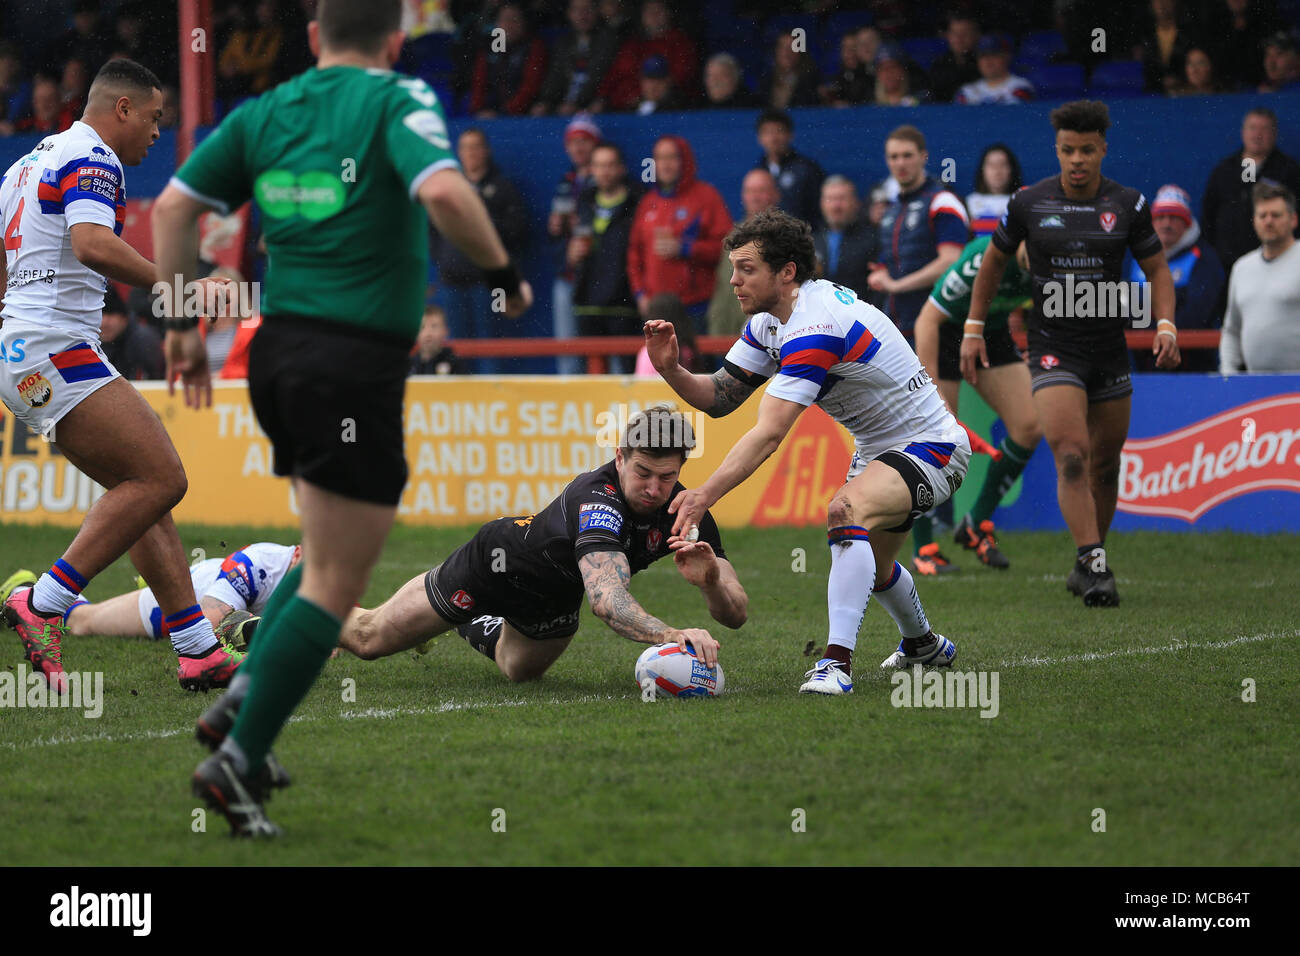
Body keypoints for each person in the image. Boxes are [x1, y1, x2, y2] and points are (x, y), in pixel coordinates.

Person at [150, 0, 532, 837]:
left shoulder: (265, 109)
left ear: (316, 38)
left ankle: (238, 711)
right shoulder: (399, 100)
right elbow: (444, 193)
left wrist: (180, 323)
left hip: (276, 356)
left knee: (317, 555)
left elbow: (173, 213)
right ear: (396, 41)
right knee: (336, 581)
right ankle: (237, 761)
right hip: (350, 364)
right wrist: (503, 265)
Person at [647, 209, 971, 695]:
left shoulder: (815, 325)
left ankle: (835, 665)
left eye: (747, 269)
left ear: (787, 272)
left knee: (844, 510)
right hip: (880, 451)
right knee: (876, 570)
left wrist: (704, 494)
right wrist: (672, 370)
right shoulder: (769, 322)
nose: (733, 281)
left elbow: (769, 433)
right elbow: (719, 397)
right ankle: (922, 645)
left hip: (934, 448)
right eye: (733, 268)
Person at [0, 58, 240, 698]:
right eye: (156, 118)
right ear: (123, 109)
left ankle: (197, 651)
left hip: (23, 347)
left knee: (142, 492)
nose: (158, 133)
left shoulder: (25, 164)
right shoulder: (95, 158)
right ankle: (44, 602)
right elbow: (93, 246)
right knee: (163, 478)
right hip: (57, 344)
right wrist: (183, 289)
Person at [337, 405, 745, 680]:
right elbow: (605, 600)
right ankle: (303, 603)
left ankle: (464, 622)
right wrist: (670, 635)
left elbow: (736, 614)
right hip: (494, 567)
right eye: (643, 473)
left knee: (517, 670)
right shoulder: (597, 499)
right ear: (619, 456)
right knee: (367, 640)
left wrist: (711, 583)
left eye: (667, 476)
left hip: (554, 600)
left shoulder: (687, 511)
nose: (654, 489)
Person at [963, 100, 1180, 607]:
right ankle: (1096, 565)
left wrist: (1165, 322)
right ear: (1056, 150)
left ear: (1103, 149)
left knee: (1106, 464)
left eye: (1087, 150)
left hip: (1108, 349)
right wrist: (974, 327)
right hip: (1053, 350)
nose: (1077, 159)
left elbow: (1159, 272)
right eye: (1067, 150)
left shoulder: (1127, 203)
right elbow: (990, 267)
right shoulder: (1028, 203)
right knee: (1073, 456)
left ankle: (1088, 559)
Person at [912, 237, 1040, 572]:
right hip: (946, 332)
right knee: (936, 439)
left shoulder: (1057, 261)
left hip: (991, 332)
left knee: (1029, 426)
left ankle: (975, 521)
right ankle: (923, 546)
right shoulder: (983, 258)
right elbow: (927, 319)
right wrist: (929, 388)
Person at [57, 542, 300, 648]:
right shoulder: (258, 564)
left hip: (212, 581)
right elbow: (207, 627)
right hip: (184, 600)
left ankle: (154, 576)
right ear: (298, 554)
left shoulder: (329, 581)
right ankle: (24, 590)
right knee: (82, 621)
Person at [430, 128, 528, 374]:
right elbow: (433, 229)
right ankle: (462, 407)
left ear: (486, 151)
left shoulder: (502, 188)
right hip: (452, 282)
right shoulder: (450, 189)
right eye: (465, 147)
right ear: (459, 153)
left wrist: (482, 217)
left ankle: (491, 407)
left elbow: (517, 232)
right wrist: (443, 260)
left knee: (489, 349)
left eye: (476, 147)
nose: (471, 153)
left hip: (489, 286)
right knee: (456, 349)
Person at [869, 125, 970, 335]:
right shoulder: (891, 211)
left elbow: (952, 261)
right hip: (899, 326)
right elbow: (889, 262)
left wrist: (896, 286)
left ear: (924, 157)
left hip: (941, 326)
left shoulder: (943, 201)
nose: (900, 163)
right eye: (894, 157)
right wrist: (880, 275)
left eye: (907, 155)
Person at [627, 134, 731, 334]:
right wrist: (640, 293)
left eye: (671, 157)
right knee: (659, 364)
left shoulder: (706, 196)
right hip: (656, 307)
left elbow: (726, 248)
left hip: (697, 305)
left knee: (697, 365)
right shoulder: (648, 202)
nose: (665, 164)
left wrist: (686, 249)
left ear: (684, 160)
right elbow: (634, 254)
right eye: (659, 158)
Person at [1123, 184, 1225, 372]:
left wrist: (1157, 330)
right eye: (1160, 217)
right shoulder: (1139, 257)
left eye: (1174, 218)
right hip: (1145, 365)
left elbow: (1197, 315)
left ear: (1187, 224)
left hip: (1193, 366)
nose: (1166, 224)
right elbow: (1129, 309)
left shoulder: (1203, 258)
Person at [1201, 107, 1300, 274]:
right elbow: (1208, 214)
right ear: (1243, 132)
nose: (1258, 134)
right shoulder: (1225, 170)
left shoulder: (1289, 171)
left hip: (1278, 262)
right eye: (1253, 128)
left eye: (1264, 129)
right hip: (1228, 264)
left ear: (1274, 134)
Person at [571, 140, 641, 373]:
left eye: (610, 165)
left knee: (628, 376)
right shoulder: (583, 202)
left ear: (621, 168)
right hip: (588, 303)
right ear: (591, 169)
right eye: (599, 165)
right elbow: (561, 247)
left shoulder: (637, 203)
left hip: (623, 304)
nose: (605, 171)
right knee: (593, 379)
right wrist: (569, 254)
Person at [1220, 181, 1300, 373]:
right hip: (1256, 385)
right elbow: (1232, 330)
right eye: (1262, 215)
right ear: (1254, 221)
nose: (1268, 221)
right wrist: (1228, 374)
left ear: (1293, 219)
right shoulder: (1242, 268)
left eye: (1276, 215)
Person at [549, 114, 600, 375]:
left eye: (584, 141)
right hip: (567, 276)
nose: (578, 147)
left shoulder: (605, 182)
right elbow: (557, 235)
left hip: (597, 279)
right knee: (567, 351)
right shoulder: (565, 183)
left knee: (601, 351)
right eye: (573, 142)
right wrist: (556, 229)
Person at [709, 168, 780, 338]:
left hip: (772, 336)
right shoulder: (732, 236)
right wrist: (717, 328)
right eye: (750, 191)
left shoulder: (787, 237)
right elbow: (724, 287)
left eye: (761, 191)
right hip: (730, 334)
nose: (755, 197)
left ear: (775, 194)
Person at [531, 0, 617, 117]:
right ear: (569, 13)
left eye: (588, 9)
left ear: (597, 11)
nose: (582, 14)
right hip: (563, 108)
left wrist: (578, 104)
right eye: (576, 9)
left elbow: (600, 78)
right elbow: (554, 77)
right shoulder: (563, 43)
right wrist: (546, 101)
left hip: (592, 107)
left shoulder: (608, 41)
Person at [469, 2, 547, 117]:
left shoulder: (534, 47)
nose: (509, 24)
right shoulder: (489, 48)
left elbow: (530, 88)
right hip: (489, 114)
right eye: (505, 19)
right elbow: (479, 84)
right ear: (496, 24)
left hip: (522, 114)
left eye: (515, 19)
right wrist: (479, 110)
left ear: (524, 23)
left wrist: (504, 113)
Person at [754, 109, 825, 230]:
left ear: (790, 135)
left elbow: (819, 211)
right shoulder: (757, 172)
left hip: (803, 238)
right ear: (759, 138)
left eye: (779, 131)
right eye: (767, 132)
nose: (773, 138)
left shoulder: (807, 169)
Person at [813, 175, 878, 302]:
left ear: (855, 203)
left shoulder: (872, 239)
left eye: (842, 199)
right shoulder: (811, 241)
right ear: (821, 204)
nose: (836, 206)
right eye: (830, 199)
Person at [99, 286, 164, 380]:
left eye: (110, 314)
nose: (104, 322)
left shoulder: (143, 341)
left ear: (124, 318)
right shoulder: (95, 342)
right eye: (101, 315)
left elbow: (154, 381)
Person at [955, 34, 1034, 104]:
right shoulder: (967, 91)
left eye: (993, 55)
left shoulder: (1020, 86)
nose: (988, 61)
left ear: (1006, 57)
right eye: (983, 56)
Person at [966, 143, 1022, 238]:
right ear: (982, 170)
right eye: (991, 165)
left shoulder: (1022, 201)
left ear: (1012, 169)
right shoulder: (969, 203)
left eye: (1003, 165)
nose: (997, 171)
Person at [758, 32, 821, 110]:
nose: (787, 52)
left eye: (793, 47)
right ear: (776, 51)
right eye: (783, 47)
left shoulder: (811, 82)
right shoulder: (765, 81)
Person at [926, 14, 981, 103]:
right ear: (947, 35)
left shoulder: (985, 63)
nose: (959, 38)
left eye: (965, 33)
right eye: (954, 33)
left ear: (976, 35)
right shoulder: (938, 65)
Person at [409, 304, 463, 375]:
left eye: (434, 326)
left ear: (445, 331)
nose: (428, 333)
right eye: (422, 327)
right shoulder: (409, 365)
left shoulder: (454, 363)